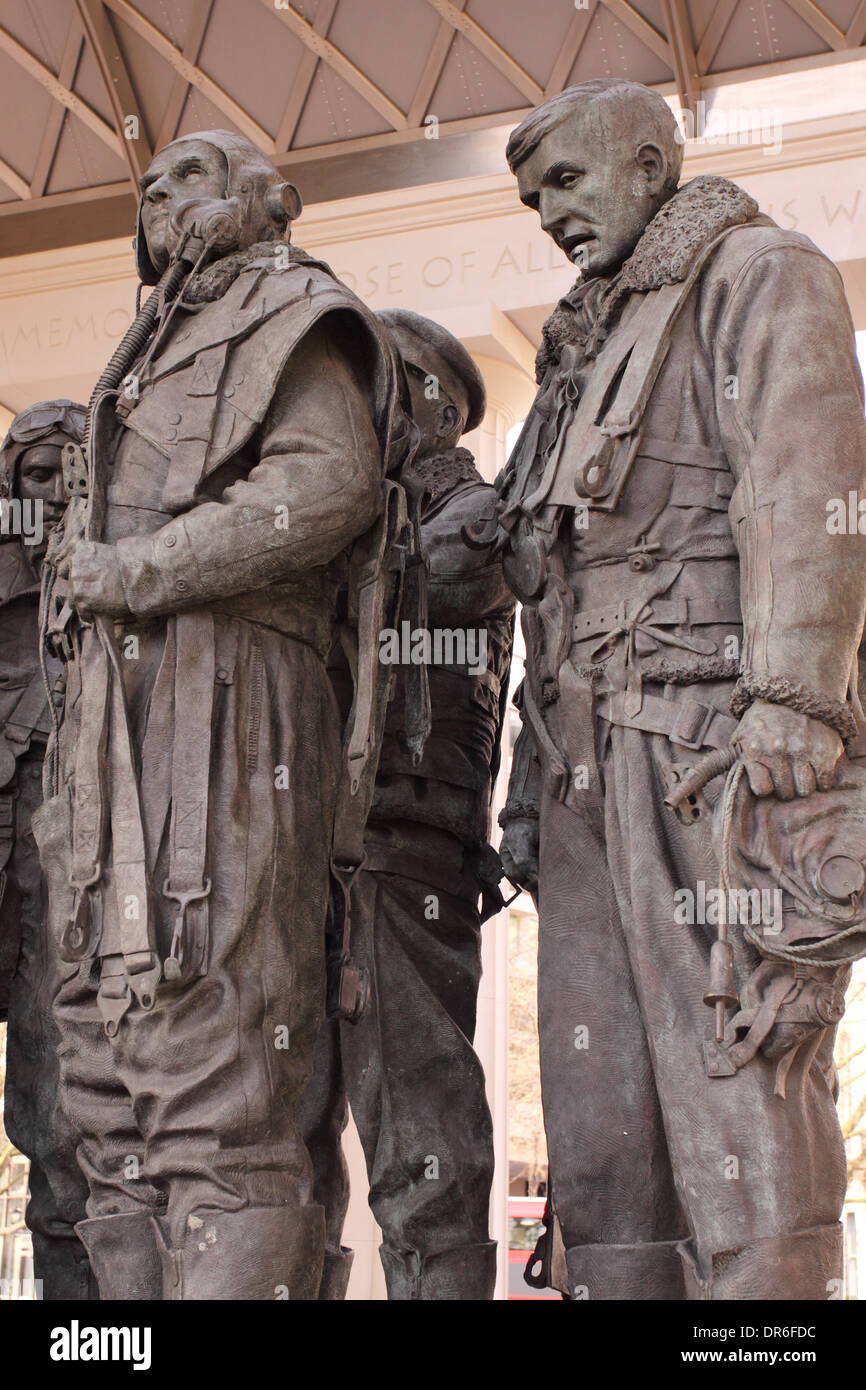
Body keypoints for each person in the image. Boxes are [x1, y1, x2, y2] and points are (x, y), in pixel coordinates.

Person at [497, 79, 866, 1299]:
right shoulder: (572, 353)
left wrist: (796, 698)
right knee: (602, 1126)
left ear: (651, 160)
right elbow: (538, 577)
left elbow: (807, 481)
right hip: (582, 767)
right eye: (530, 194)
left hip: (717, 750)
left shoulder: (758, 271)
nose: (548, 212)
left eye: (566, 180)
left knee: (739, 1093)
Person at [37, 131, 408, 1300]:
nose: (159, 198)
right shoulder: (144, 352)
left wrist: (137, 572)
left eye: (192, 176)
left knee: (219, 1069)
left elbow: (324, 487)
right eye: (149, 187)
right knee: (105, 1081)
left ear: (275, 201)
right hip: (115, 723)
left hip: (230, 701)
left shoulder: (296, 312)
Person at [299, 310, 514, 1300]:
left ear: (435, 400)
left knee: (422, 1141)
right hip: (312, 854)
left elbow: (391, 601)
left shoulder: (471, 514)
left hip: (404, 861)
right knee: (284, 1144)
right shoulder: (353, 517)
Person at [0, 400, 96, 1299]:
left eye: (73, 474)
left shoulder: (110, 586)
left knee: (58, 1116)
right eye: (37, 475)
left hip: (61, 882)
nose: (54, 495)